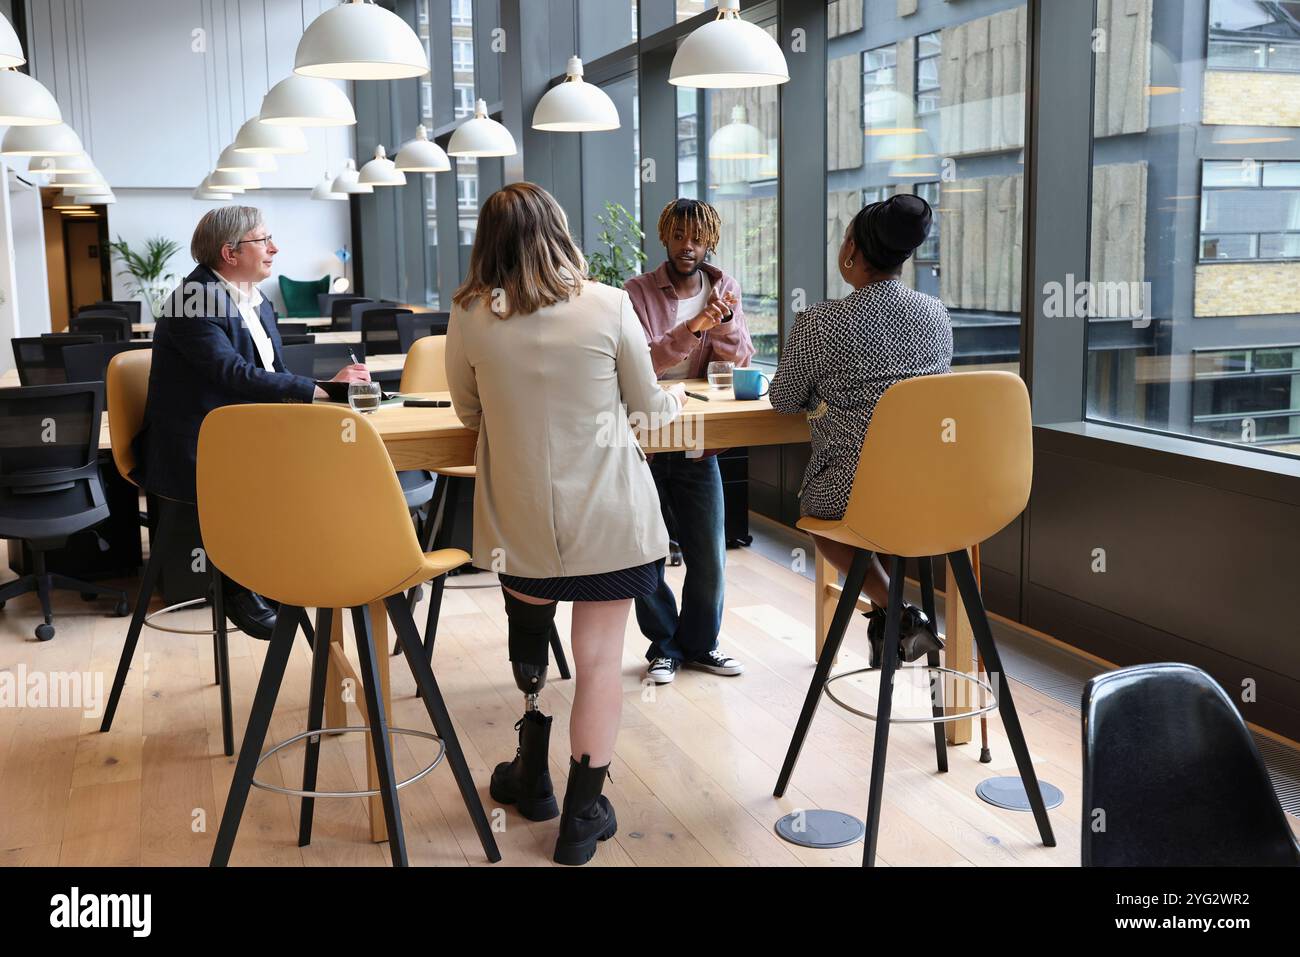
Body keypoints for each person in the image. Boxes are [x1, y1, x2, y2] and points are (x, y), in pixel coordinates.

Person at [445, 182, 685, 866]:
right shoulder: (609, 304)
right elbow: (646, 407)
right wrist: (670, 396)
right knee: (601, 663)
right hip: (611, 520)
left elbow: (468, 413)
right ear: (559, 230)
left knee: (529, 638)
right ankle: (582, 819)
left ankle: (531, 777)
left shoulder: (469, 314)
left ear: (486, 243)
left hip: (518, 527)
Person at [133, 206, 369, 638]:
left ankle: (321, 566)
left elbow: (271, 372)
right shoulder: (194, 298)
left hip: (244, 434)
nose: (274, 248)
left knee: (337, 459)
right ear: (229, 252)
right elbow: (231, 373)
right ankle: (242, 579)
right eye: (264, 240)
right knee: (304, 471)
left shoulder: (253, 298)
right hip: (197, 448)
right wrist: (318, 391)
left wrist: (324, 386)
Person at [770, 194, 952, 667]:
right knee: (886, 518)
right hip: (929, 488)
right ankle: (888, 629)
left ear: (851, 249)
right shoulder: (935, 315)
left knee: (821, 521)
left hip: (850, 490)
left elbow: (784, 399)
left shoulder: (822, 321)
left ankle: (897, 613)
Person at [623, 198, 753, 685]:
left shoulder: (725, 289)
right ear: (665, 237)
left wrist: (720, 325)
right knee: (644, 550)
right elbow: (644, 365)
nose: (687, 245)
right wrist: (693, 326)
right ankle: (664, 646)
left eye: (696, 237)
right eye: (678, 236)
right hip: (646, 439)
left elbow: (735, 365)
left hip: (698, 439)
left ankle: (700, 646)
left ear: (710, 241)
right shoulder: (635, 292)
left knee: (709, 554)